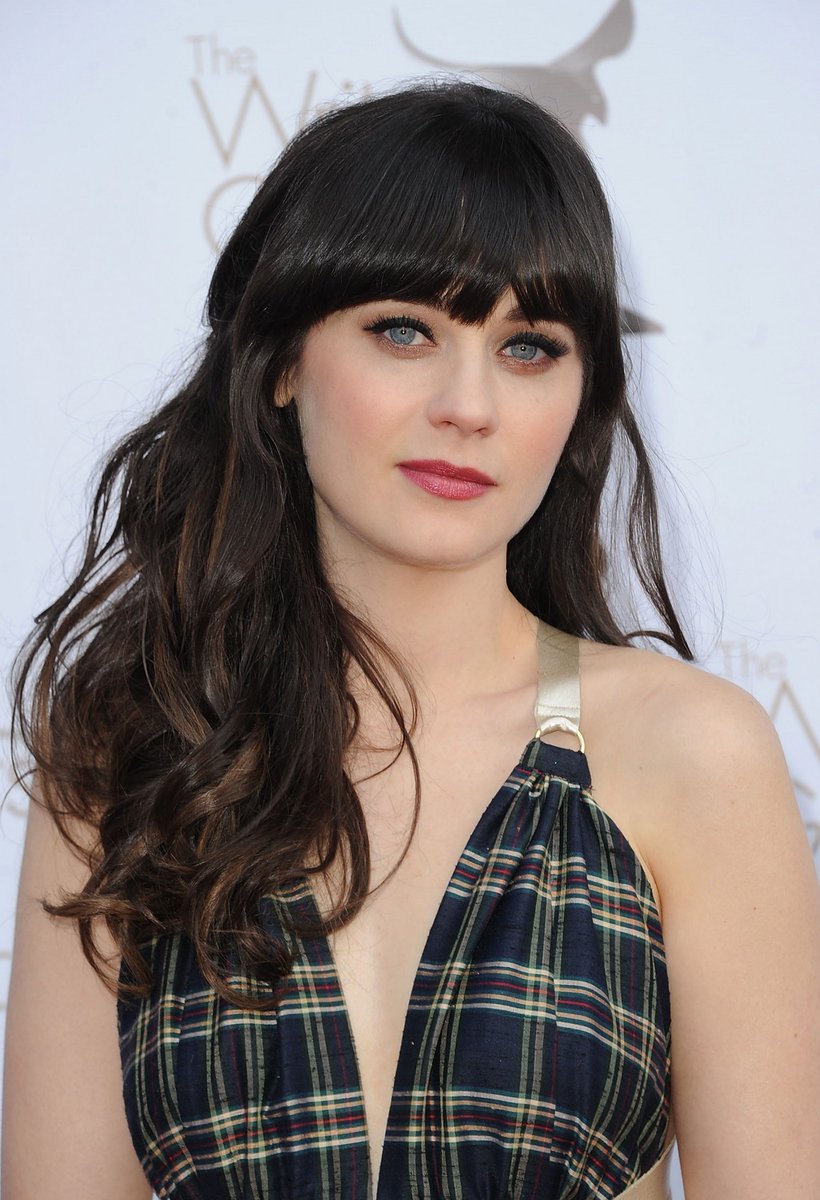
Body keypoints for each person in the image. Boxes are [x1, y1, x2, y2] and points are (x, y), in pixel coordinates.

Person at [3, 78, 819, 1200]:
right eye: (404, 330)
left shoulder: (693, 754)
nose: (468, 405)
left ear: (581, 397)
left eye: (528, 347)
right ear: (281, 361)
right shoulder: (131, 751)